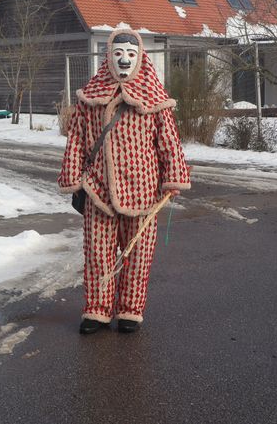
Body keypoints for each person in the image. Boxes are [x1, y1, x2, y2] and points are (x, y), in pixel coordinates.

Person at [58, 27, 191, 334]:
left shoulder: (155, 100)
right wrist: (74, 179)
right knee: (97, 254)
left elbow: (168, 141)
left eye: (131, 54)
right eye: (118, 53)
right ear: (108, 57)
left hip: (144, 191)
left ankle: (130, 310)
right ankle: (97, 309)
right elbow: (76, 139)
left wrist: (173, 178)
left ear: (140, 57)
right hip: (98, 190)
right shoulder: (89, 97)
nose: (124, 60)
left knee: (138, 256)